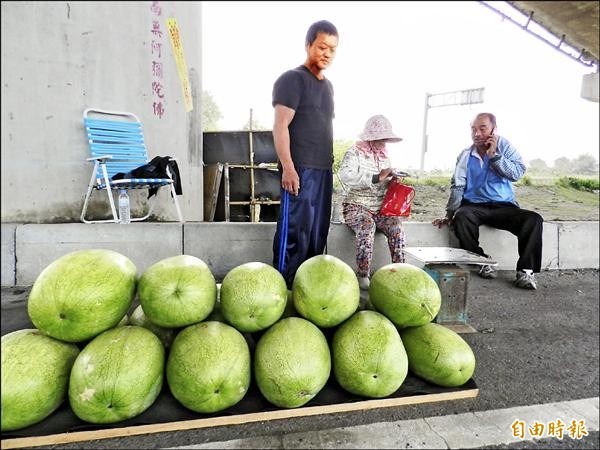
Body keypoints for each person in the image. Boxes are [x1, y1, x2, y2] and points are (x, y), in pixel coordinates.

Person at [432, 112, 543, 290]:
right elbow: (458, 186)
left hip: (503, 206)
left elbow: (517, 173)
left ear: (493, 129)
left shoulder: (505, 147)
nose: (477, 133)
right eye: (473, 129)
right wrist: (449, 214)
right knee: (462, 216)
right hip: (474, 206)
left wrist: (495, 156)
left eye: (482, 128)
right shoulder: (465, 155)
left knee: (533, 219)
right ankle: (481, 261)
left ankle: (526, 271)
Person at [271, 20, 339, 287]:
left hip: (323, 170)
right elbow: (280, 126)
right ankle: (284, 291)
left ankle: (309, 291)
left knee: (317, 233)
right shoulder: (292, 79)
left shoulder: (328, 87)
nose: (327, 54)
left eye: (333, 49)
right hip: (300, 170)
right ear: (308, 45)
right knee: (294, 234)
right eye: (322, 47)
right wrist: (288, 168)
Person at [338, 115, 407, 290]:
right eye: (381, 138)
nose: (384, 142)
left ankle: (401, 272)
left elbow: (384, 180)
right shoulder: (354, 152)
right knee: (367, 226)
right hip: (355, 206)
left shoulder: (384, 155)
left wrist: (392, 181)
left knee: (396, 227)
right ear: (371, 137)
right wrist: (377, 177)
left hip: (380, 209)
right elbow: (346, 176)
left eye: (386, 139)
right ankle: (363, 275)